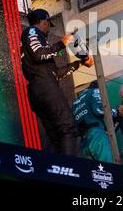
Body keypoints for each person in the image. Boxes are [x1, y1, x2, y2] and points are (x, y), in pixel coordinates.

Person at [20, 9, 94, 156]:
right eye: (48, 24)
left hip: (39, 90)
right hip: (45, 88)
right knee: (68, 130)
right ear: (44, 21)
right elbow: (38, 54)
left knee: (57, 137)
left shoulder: (35, 40)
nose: (48, 29)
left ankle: (56, 169)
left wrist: (79, 63)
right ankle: (71, 170)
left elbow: (56, 74)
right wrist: (62, 43)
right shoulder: (32, 31)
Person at [72, 80, 117, 162]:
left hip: (83, 142)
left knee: (94, 172)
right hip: (96, 135)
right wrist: (116, 111)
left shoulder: (76, 101)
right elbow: (99, 109)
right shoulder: (96, 91)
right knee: (109, 168)